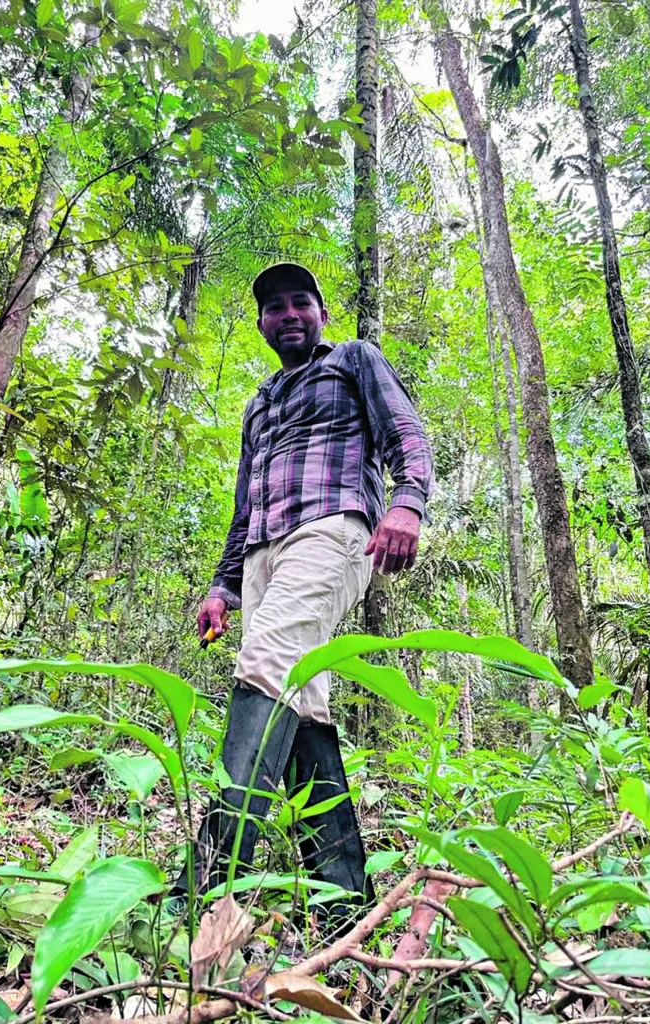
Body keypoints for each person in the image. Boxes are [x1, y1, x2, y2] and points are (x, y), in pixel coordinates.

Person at [175, 262, 434, 927]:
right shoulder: (258, 403)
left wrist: (406, 504)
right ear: (261, 324)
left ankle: (203, 890)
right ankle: (345, 909)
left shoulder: (352, 360)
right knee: (303, 703)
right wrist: (222, 585)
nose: (288, 314)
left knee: (263, 667)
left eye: (301, 303)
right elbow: (243, 504)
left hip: (334, 528)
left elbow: (406, 432)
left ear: (320, 313)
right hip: (262, 551)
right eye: (274, 308)